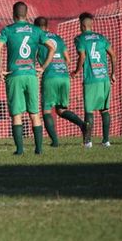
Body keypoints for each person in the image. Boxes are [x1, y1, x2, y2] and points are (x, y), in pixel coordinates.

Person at [0, 2, 55, 155]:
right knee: (34, 113)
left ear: (13, 14)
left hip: (14, 75)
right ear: (26, 14)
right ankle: (39, 149)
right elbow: (52, 47)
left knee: (17, 114)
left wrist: (0, 70)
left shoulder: (8, 30)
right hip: (31, 75)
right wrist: (43, 67)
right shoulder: (35, 30)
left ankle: (20, 150)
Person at [34, 16, 85, 147]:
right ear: (47, 26)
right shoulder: (58, 38)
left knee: (46, 111)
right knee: (60, 110)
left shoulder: (37, 38)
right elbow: (68, 60)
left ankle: (55, 142)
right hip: (63, 76)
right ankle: (83, 125)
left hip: (50, 76)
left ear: (35, 27)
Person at [71, 12, 116, 148]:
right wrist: (112, 74)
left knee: (89, 111)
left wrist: (77, 71)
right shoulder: (102, 38)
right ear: (91, 24)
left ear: (82, 25)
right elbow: (113, 56)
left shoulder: (79, 39)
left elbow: (82, 56)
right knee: (104, 110)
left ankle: (88, 142)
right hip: (104, 78)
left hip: (91, 79)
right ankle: (106, 141)